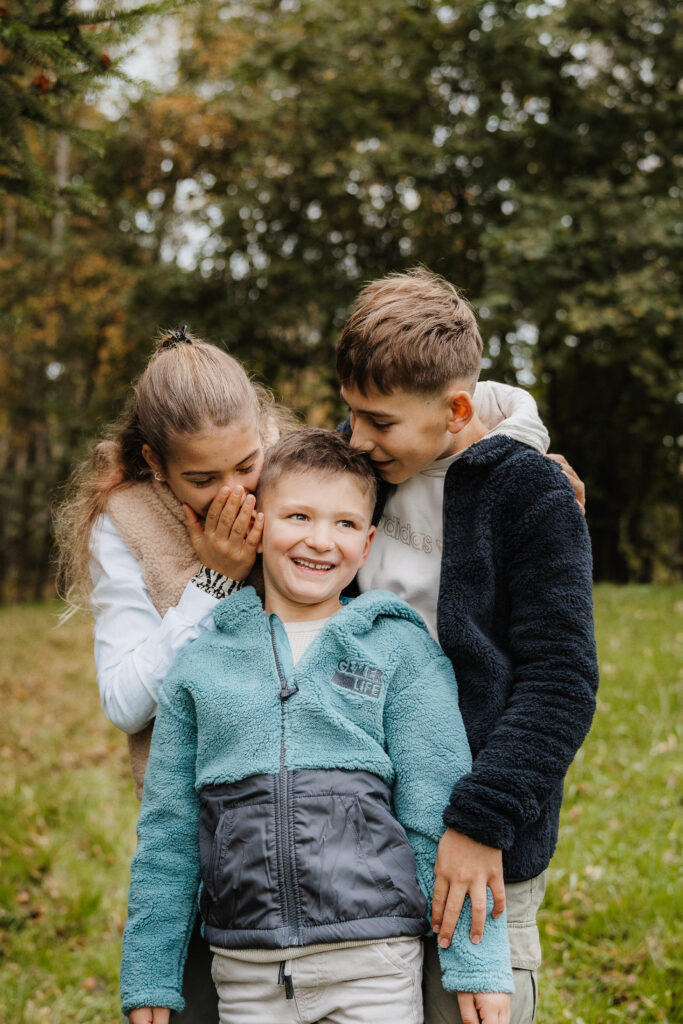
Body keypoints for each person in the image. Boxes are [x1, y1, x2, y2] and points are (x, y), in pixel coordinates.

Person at [120, 429, 514, 1024]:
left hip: (373, 964)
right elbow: (169, 837)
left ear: (368, 541)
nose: (319, 541)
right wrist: (149, 975)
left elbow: (439, 811)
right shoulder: (201, 666)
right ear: (258, 524)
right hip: (246, 971)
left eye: (345, 524)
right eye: (298, 515)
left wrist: (477, 965)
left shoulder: (397, 650)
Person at [336, 268, 599, 1024]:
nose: (356, 439)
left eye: (378, 422)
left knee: (471, 1009)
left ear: (456, 411)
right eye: (350, 413)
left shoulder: (529, 493)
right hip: (366, 831)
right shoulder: (359, 471)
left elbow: (560, 681)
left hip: (480, 841)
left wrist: (481, 822)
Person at [55, 326, 297, 1024]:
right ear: (157, 465)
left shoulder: (300, 465)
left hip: (327, 815)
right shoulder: (125, 522)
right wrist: (212, 583)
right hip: (206, 834)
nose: (233, 492)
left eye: (246, 464)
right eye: (202, 479)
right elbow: (125, 700)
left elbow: (424, 408)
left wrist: (522, 455)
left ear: (264, 429)